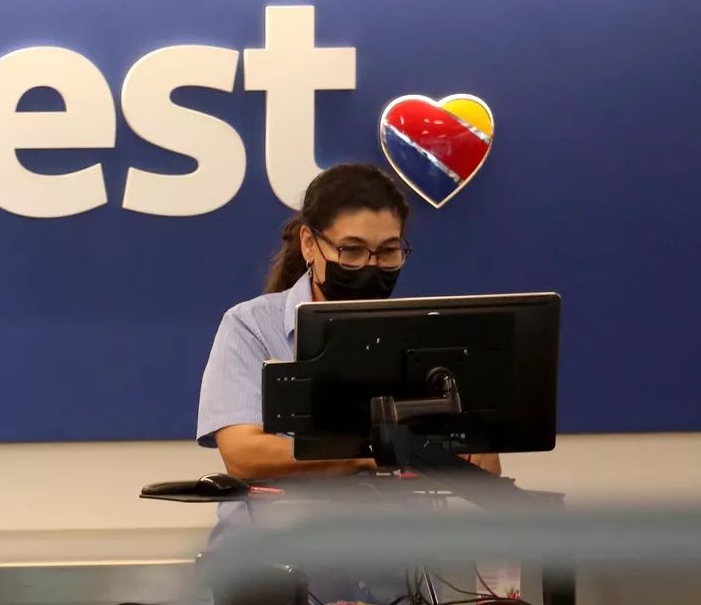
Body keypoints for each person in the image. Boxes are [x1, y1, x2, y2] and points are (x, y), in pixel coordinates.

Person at [195, 163, 500, 479]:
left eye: (388, 251)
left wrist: (475, 453)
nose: (370, 266)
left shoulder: (426, 335)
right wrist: (373, 453)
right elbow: (244, 456)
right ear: (309, 245)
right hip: (279, 524)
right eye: (351, 251)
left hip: (398, 522)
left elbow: (486, 465)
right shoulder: (251, 327)